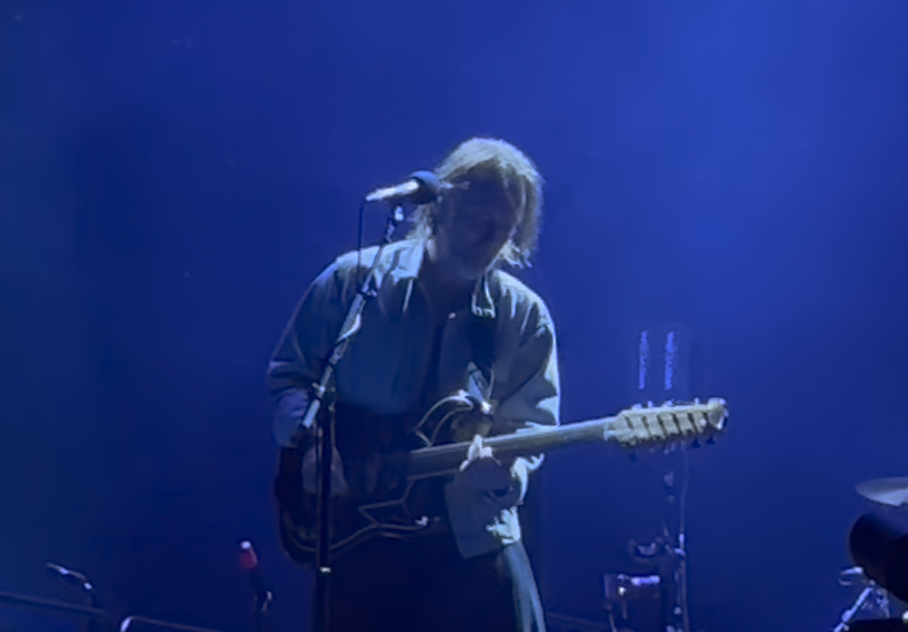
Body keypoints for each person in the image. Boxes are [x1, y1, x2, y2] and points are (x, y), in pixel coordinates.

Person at [267, 137, 560, 632]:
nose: (489, 242)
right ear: (439, 207)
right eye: (479, 221)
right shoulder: (352, 282)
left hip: (469, 543)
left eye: (504, 231)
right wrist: (312, 446)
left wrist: (505, 476)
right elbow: (290, 377)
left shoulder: (523, 316)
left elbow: (530, 430)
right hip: (361, 543)